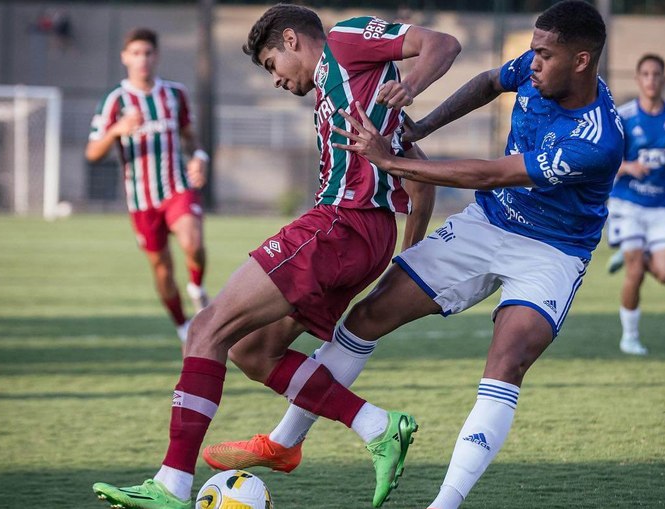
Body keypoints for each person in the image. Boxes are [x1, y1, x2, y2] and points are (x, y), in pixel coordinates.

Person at [205, 2, 622, 508]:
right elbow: (490, 82)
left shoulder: (596, 140)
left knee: (506, 361)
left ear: (581, 61)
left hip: (552, 252)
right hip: (487, 224)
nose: (531, 63)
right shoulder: (532, 72)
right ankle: (284, 442)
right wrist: (421, 126)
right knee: (366, 317)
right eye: (533, 51)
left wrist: (394, 159)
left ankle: (443, 504)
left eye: (543, 55)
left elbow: (491, 173)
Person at [92, 5, 460, 509]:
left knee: (207, 330)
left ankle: (171, 484)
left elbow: (443, 43)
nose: (275, 81)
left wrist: (412, 83)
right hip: (361, 237)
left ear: (291, 39)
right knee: (251, 350)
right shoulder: (353, 99)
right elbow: (417, 177)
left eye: (271, 64)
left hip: (339, 225)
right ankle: (379, 426)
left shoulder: (346, 41)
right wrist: (403, 256)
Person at [85, 28, 211, 346]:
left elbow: (189, 136)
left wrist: (198, 156)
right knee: (162, 266)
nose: (143, 59)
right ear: (125, 57)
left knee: (193, 243)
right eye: (136, 53)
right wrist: (116, 130)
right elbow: (92, 153)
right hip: (142, 199)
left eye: (148, 52)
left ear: (157, 56)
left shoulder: (174, 94)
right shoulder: (115, 100)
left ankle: (196, 287)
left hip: (177, 187)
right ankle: (183, 326)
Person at [605, 53, 665, 355]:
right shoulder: (624, 115)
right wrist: (628, 167)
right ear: (637, 79)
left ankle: (633, 252)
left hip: (659, 207)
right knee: (635, 273)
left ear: (664, 79)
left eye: (657, 74)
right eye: (646, 74)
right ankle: (629, 337)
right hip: (627, 202)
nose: (651, 79)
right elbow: (606, 159)